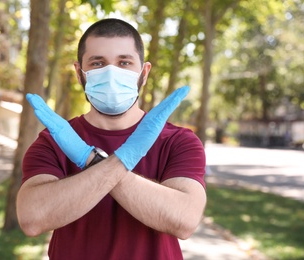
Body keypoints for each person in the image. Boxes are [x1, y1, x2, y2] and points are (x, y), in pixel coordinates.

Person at [17, 18, 206, 259]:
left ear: (144, 72)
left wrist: (91, 161)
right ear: (79, 73)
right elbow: (32, 219)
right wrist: (119, 161)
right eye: (98, 63)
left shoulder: (179, 141)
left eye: (124, 62)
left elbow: (184, 221)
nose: (111, 72)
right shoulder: (53, 140)